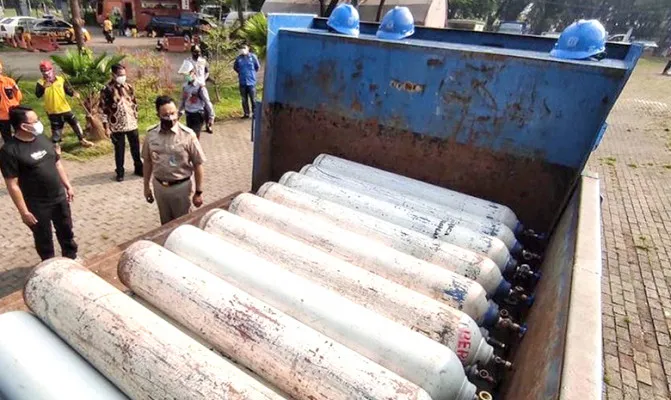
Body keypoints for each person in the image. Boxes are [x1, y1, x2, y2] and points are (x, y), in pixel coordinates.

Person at [0, 106, 78, 261]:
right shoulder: (9, 151)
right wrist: (24, 212)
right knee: (44, 238)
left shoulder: (42, 138)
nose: (39, 123)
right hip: (37, 204)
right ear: (23, 126)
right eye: (35, 121)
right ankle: (48, 265)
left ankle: (71, 258)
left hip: (59, 197)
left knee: (66, 231)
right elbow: (12, 184)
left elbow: (57, 163)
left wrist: (68, 185)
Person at [142, 96, 206, 225]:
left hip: (181, 189)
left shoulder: (188, 135)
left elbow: (198, 164)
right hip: (160, 188)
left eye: (173, 113)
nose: (170, 118)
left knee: (185, 226)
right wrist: (146, 187)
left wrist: (198, 192)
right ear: (158, 115)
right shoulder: (151, 135)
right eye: (165, 115)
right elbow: (148, 162)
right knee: (165, 226)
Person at [36, 60, 93, 152]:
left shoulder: (60, 80)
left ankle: (82, 139)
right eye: (43, 71)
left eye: (47, 70)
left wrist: (74, 94)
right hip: (52, 110)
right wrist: (43, 87)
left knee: (75, 123)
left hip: (64, 108)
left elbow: (67, 91)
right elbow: (37, 95)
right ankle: (56, 145)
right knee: (56, 129)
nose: (46, 73)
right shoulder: (40, 82)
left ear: (52, 70)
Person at [99, 64, 143, 182]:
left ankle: (138, 168)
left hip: (131, 123)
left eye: (124, 74)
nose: (122, 77)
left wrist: (136, 117)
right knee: (119, 149)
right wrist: (106, 127)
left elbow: (134, 103)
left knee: (135, 147)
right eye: (120, 75)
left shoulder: (128, 87)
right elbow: (103, 109)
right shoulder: (107, 89)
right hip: (117, 125)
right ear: (113, 75)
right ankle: (120, 171)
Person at [178, 62, 215, 139]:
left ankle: (196, 150)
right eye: (184, 75)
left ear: (193, 72)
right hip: (188, 114)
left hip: (198, 115)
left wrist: (211, 116)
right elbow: (183, 100)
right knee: (189, 136)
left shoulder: (200, 87)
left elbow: (207, 102)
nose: (186, 76)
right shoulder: (185, 87)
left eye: (187, 74)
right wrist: (179, 112)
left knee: (194, 137)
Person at [233, 44, 260, 119]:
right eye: (241, 48)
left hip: (251, 81)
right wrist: (241, 73)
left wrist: (252, 74)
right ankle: (246, 113)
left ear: (248, 49)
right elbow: (235, 67)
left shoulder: (253, 57)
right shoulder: (239, 58)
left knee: (253, 99)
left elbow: (257, 67)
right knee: (244, 99)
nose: (243, 49)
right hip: (242, 82)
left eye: (244, 48)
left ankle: (255, 113)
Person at [0, 61, 23, 144]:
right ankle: (10, 153)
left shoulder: (9, 81)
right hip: (1, 116)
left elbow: (19, 96)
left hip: (13, 113)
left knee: (20, 133)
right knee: (7, 137)